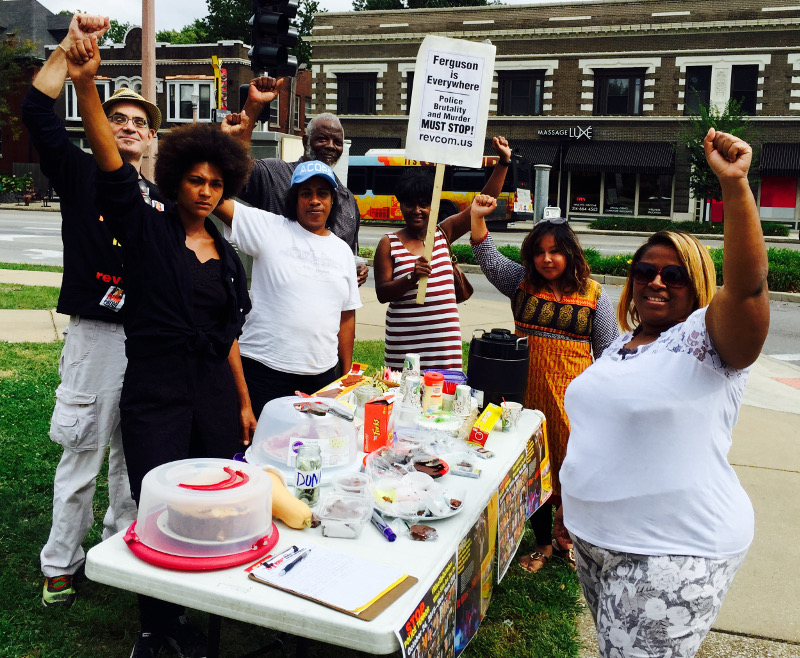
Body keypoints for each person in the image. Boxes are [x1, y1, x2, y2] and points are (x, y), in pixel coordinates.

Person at [66, 33, 255, 658]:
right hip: (155, 394)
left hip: (212, 398)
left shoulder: (226, 254)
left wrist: (244, 403)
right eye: (194, 179)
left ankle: (204, 603)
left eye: (214, 181)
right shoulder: (148, 230)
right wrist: (88, 85)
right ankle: (156, 624)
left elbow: (228, 335)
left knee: (211, 506)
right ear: (176, 180)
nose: (203, 189)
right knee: (160, 506)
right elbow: (113, 171)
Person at [558, 129, 769, 657]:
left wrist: (735, 187)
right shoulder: (623, 344)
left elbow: (746, 289)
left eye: (673, 274)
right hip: (597, 541)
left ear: (696, 281)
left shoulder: (706, 339)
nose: (657, 282)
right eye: (645, 271)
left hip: (672, 550)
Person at [21, 13, 166, 608]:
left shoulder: (158, 199)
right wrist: (69, 50)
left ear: (153, 140)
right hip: (96, 337)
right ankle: (61, 565)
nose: (130, 127)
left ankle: (115, 552)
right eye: (120, 118)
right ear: (100, 125)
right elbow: (36, 114)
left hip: (148, 341)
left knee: (134, 461)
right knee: (83, 452)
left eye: (140, 123)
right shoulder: (81, 172)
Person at [470, 209, 618, 573]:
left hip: (574, 401)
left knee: (574, 470)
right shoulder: (521, 283)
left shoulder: (593, 295)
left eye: (555, 251)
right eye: (539, 252)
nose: (547, 259)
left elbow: (610, 352)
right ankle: (542, 544)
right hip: (525, 397)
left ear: (571, 253)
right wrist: (476, 216)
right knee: (535, 468)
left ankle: (572, 539)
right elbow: (486, 254)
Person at [212, 157, 362, 418]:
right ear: (294, 200)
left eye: (322, 194)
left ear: (332, 201)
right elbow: (214, 198)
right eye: (306, 193)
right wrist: (232, 143)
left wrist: (346, 377)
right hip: (263, 371)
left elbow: (346, 316)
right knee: (259, 450)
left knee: (314, 452)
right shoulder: (269, 228)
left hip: (322, 378)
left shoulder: (342, 251)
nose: (314, 200)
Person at [373, 136, 514, 371]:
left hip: (443, 348)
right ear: (400, 205)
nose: (417, 210)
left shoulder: (443, 233)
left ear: (432, 206)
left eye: (423, 204)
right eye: (409, 204)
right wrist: (412, 277)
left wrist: (503, 162)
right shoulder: (388, 243)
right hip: (403, 347)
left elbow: (482, 201)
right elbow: (382, 293)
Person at [225, 77, 367, 285]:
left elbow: (347, 255)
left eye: (337, 142)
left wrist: (356, 268)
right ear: (305, 141)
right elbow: (232, 167)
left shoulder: (347, 200)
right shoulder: (275, 174)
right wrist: (253, 107)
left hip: (329, 310)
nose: (330, 146)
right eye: (322, 139)